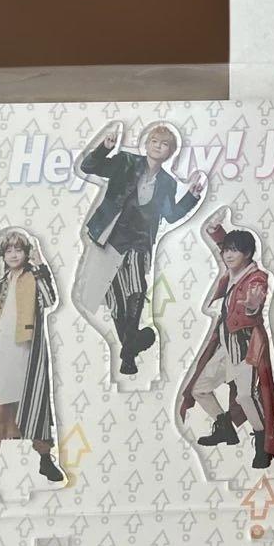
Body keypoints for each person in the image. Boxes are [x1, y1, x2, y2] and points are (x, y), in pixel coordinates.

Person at [76, 123, 204, 375]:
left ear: (170, 152)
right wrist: (104, 149)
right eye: (154, 141)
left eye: (164, 144)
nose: (158, 147)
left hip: (139, 241)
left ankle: (128, 350)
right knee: (115, 298)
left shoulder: (167, 182)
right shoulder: (125, 162)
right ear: (146, 144)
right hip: (110, 237)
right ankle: (129, 352)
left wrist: (191, 197)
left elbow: (170, 215)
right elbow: (88, 168)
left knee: (137, 286)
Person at [178, 219, 274, 469]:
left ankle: (263, 443)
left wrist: (251, 306)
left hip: (246, 345)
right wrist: (215, 230)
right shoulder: (233, 269)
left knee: (246, 396)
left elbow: (255, 302)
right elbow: (226, 244)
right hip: (225, 343)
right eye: (226, 250)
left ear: (247, 254)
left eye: (234, 251)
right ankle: (225, 428)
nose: (228, 255)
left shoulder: (257, 277)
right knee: (199, 388)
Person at [0, 230, 64, 484]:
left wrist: (40, 265)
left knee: (32, 404)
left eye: (19, 250)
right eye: (9, 250)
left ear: (26, 253)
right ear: (3, 255)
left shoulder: (33, 276)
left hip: (24, 351)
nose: (14, 255)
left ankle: (45, 459)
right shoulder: (1, 282)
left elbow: (50, 299)